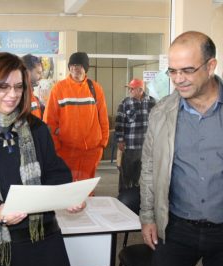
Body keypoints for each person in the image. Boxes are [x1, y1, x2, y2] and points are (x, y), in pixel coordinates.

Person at [0, 52, 84, 266]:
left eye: (18, 87)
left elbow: (56, 173)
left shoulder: (37, 129)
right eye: (3, 87)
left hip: (42, 243)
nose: (13, 95)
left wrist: (68, 196)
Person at [140, 31, 223, 266]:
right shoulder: (161, 113)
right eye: (172, 71)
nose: (178, 79)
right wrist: (147, 217)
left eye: (187, 70)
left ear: (210, 66)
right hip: (176, 228)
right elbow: (150, 169)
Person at [43, 51, 109, 181]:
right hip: (66, 151)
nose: (75, 68)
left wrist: (102, 143)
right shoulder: (59, 89)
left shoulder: (95, 88)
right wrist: (55, 147)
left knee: (87, 187)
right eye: (72, 65)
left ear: (86, 67)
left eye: (79, 65)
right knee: (67, 186)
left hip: (91, 151)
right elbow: (49, 121)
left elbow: (103, 118)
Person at [115, 78, 156, 191]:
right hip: (130, 147)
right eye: (129, 89)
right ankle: (124, 199)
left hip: (147, 148)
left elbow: (158, 123)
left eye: (132, 89)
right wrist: (120, 140)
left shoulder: (152, 102)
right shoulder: (125, 103)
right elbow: (119, 122)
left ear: (140, 90)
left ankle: (139, 201)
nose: (130, 91)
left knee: (143, 176)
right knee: (126, 176)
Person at [21, 54, 43, 118]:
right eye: (38, 73)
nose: (41, 77)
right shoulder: (19, 96)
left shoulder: (31, 94)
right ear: (27, 72)